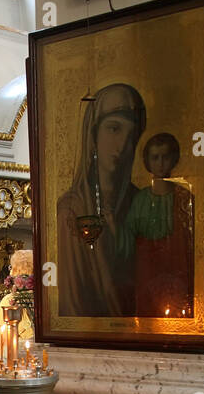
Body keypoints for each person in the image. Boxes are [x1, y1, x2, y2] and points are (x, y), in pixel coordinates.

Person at [56, 83, 146, 317]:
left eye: (131, 135)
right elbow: (72, 305)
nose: (122, 145)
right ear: (93, 135)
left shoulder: (141, 202)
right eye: (114, 129)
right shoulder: (72, 209)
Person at [127, 132, 194, 317]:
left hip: (175, 268)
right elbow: (130, 236)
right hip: (147, 269)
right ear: (147, 162)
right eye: (155, 158)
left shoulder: (183, 197)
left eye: (165, 157)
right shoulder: (140, 200)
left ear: (174, 159)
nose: (161, 163)